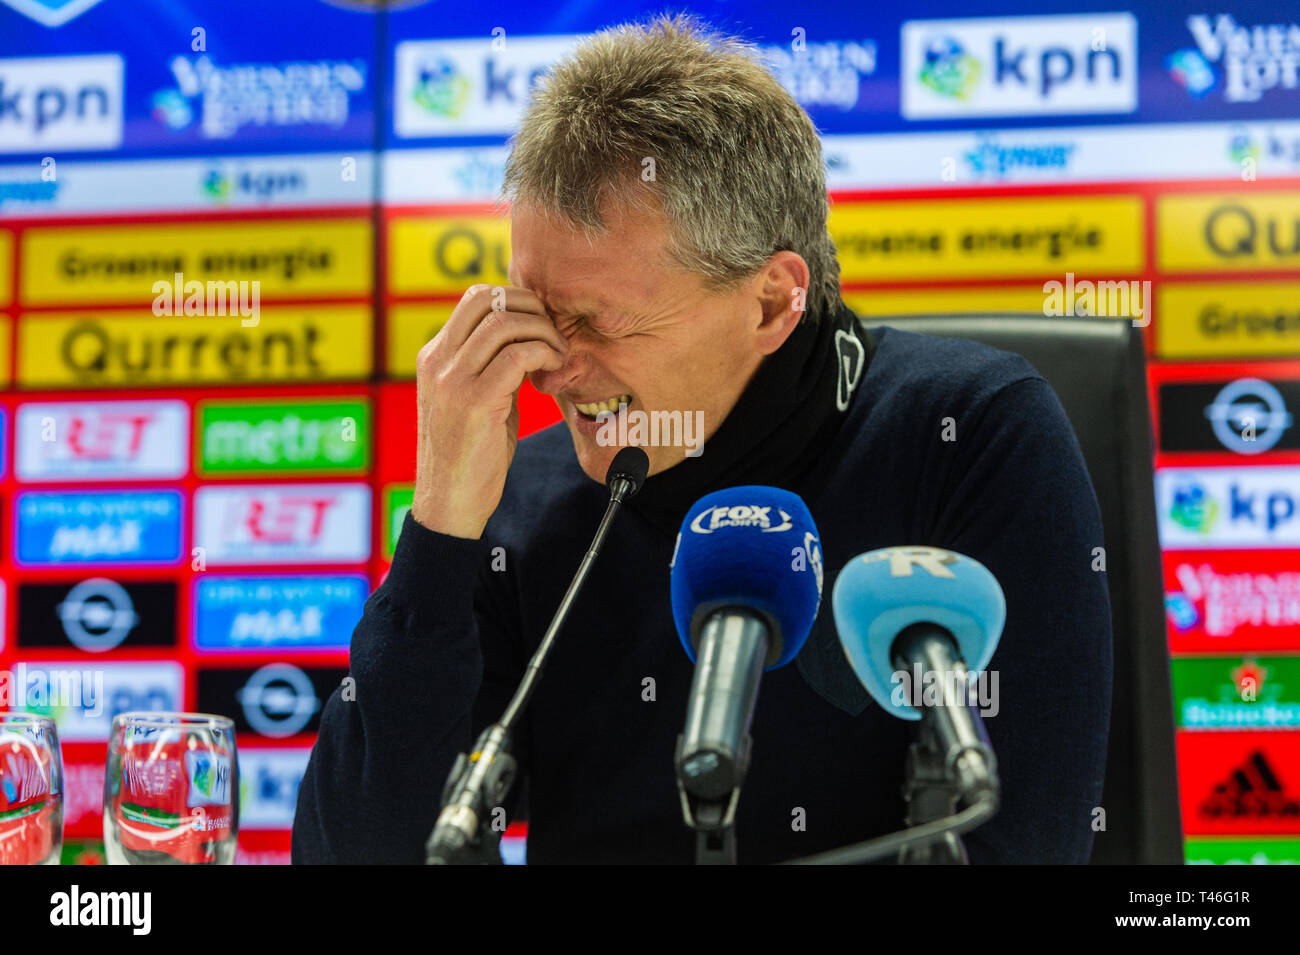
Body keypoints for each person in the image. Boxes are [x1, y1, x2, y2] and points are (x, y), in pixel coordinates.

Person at [292, 14, 1112, 865]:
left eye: (594, 322)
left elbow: (1022, 844)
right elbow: (357, 853)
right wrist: (439, 533)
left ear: (769, 301)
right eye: (531, 313)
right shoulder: (526, 503)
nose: (549, 369)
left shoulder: (970, 435)